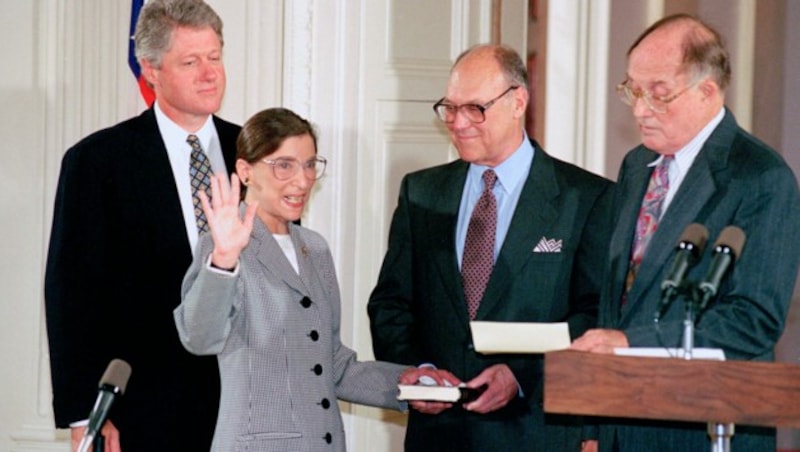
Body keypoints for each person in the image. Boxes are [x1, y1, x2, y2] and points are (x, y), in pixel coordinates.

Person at [367, 43, 614, 451]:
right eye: (450, 108)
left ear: (518, 101)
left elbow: (594, 317)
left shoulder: (586, 199)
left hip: (535, 432)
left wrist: (522, 376)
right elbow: (391, 304)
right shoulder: (422, 193)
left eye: (475, 109)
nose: (458, 123)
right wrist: (422, 372)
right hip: (438, 437)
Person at [571, 14, 800, 451]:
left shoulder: (760, 177)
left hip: (705, 429)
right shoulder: (637, 166)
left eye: (658, 94)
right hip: (622, 425)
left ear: (707, 92)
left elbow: (753, 319)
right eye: (632, 90)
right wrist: (593, 427)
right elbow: (615, 300)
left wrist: (628, 343)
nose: (640, 109)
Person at [173, 107, 435, 451]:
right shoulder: (222, 247)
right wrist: (223, 259)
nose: (303, 180)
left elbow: (331, 365)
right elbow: (199, 338)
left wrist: (406, 383)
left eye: (310, 164)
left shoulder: (315, 248)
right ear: (245, 171)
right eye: (284, 165)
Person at [44, 1, 238, 450]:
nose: (210, 74)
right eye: (190, 62)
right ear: (151, 70)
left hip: (245, 404)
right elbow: (72, 295)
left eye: (215, 57)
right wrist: (87, 413)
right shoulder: (97, 162)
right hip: (143, 411)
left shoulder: (252, 151)